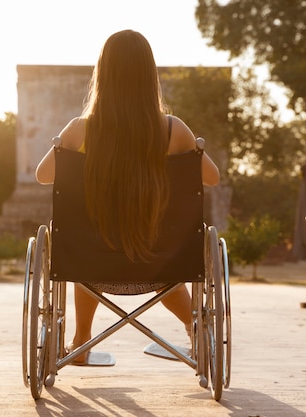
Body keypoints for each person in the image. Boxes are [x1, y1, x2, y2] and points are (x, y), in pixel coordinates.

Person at [35, 29, 220, 364]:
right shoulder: (173, 130)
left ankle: (81, 341)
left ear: (102, 75)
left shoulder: (80, 129)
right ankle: (196, 332)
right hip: (160, 264)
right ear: (150, 77)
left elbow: (43, 175)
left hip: (91, 263)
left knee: (82, 238)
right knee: (157, 252)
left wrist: (61, 144)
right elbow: (211, 177)